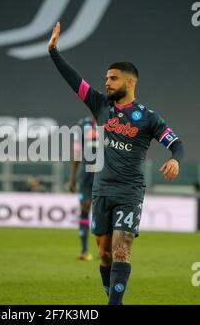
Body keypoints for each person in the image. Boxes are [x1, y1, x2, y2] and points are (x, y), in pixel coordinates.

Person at [48, 22, 184, 305]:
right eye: (106, 78)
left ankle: (114, 304)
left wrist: (175, 160)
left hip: (129, 192)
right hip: (101, 189)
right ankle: (112, 295)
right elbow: (75, 80)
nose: (106, 83)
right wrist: (54, 52)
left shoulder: (148, 117)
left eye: (112, 78)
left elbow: (176, 143)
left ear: (130, 82)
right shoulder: (100, 106)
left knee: (122, 250)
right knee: (105, 252)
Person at [69, 116, 97, 261]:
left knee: (103, 211)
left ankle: (105, 249)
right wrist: (72, 176)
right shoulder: (83, 124)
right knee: (85, 208)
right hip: (85, 174)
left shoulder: (113, 121)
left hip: (104, 174)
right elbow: (77, 150)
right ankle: (85, 250)